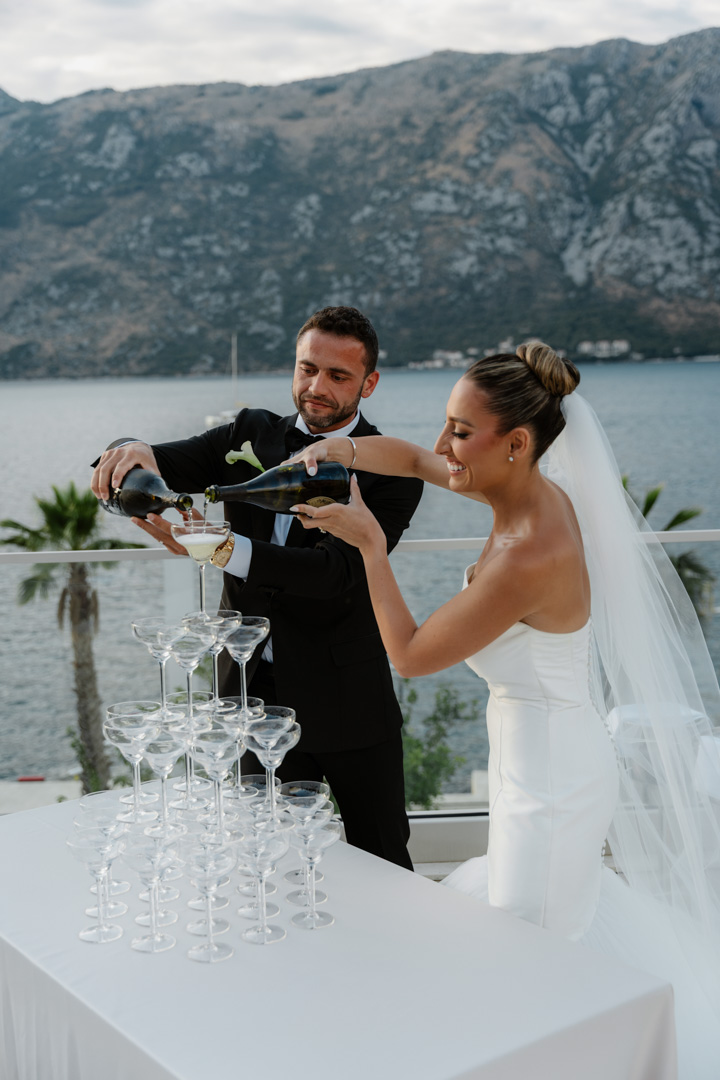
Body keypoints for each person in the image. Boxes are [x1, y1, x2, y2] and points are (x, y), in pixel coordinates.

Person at [288, 341, 720, 1079]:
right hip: (546, 761)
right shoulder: (528, 489)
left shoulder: (527, 556)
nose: (442, 445)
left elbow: (411, 655)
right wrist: (340, 449)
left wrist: (370, 549)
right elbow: (413, 460)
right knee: (537, 942)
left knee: (530, 960)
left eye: (460, 431)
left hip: (552, 786)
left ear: (516, 443)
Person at [91, 306, 423, 870]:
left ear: (368, 384)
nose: (316, 387)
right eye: (307, 369)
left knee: (384, 860)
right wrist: (132, 448)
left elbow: (334, 573)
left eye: (338, 376)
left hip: (348, 703)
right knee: (264, 865)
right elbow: (154, 461)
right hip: (249, 701)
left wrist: (218, 548)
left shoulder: (390, 468)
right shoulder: (248, 433)